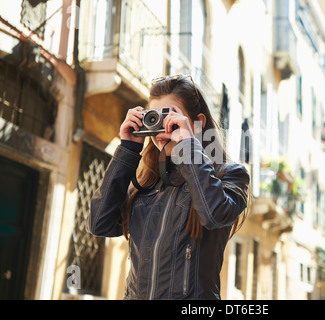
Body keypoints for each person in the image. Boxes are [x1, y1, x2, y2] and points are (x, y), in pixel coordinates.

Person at [87, 75, 250, 300]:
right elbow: (99, 224)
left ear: (198, 122)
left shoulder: (229, 175)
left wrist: (186, 144)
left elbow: (214, 215)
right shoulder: (146, 182)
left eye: (170, 116)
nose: (161, 127)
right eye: (155, 117)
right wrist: (127, 149)